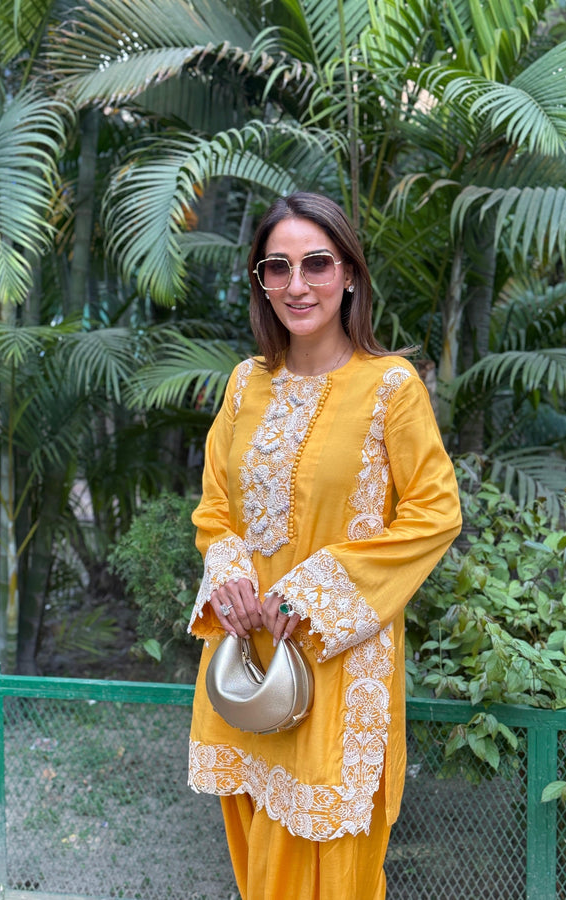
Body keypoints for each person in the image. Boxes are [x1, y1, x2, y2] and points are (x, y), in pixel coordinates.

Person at [187, 191, 461, 899]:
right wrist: (232, 579)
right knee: (256, 860)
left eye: (315, 263)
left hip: (339, 668)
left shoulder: (390, 389)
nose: (297, 285)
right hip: (250, 661)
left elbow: (434, 514)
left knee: (331, 868)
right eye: (277, 267)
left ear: (349, 275)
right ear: (260, 281)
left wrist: (304, 596)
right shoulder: (245, 385)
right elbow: (216, 509)